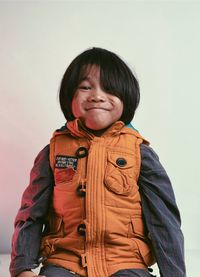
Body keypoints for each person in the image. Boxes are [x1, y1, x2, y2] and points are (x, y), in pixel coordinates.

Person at [10, 47, 186, 277]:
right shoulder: (52, 152)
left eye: (110, 89)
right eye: (85, 87)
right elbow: (30, 213)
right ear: (69, 96)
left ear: (127, 97)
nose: (97, 95)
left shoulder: (140, 153)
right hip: (65, 262)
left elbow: (164, 219)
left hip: (125, 262)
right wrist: (22, 268)